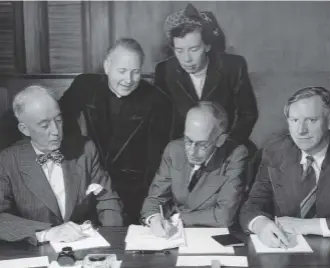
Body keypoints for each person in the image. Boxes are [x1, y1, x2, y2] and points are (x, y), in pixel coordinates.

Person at [59, 38, 173, 225]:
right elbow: (60, 119)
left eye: (135, 72)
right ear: (107, 66)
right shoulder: (85, 86)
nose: (128, 80)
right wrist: (79, 157)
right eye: (122, 71)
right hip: (90, 183)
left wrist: (149, 209)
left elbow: (155, 162)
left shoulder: (158, 102)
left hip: (134, 191)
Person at [0, 85, 123, 245]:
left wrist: (111, 238)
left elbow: (107, 198)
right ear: (25, 129)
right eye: (44, 125)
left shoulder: (85, 149)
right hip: (37, 250)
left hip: (84, 246)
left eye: (58, 120)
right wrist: (47, 233)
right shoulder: (8, 160)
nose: (56, 131)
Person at [240, 86, 330, 247]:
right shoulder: (275, 152)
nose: (301, 131)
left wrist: (311, 225)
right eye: (294, 121)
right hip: (288, 251)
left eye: (311, 120)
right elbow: (252, 205)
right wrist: (260, 224)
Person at [141, 101, 248, 237]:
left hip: (212, 237)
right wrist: (154, 219)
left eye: (202, 145)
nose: (192, 151)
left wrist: (176, 218)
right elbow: (154, 199)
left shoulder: (236, 155)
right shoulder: (174, 150)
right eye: (188, 140)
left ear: (220, 140)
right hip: (173, 236)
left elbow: (224, 216)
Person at [155, 3, 258, 144]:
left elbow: (248, 114)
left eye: (194, 49)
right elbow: (160, 121)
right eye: (179, 51)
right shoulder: (164, 70)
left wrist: (228, 144)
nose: (186, 59)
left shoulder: (233, 67)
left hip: (226, 145)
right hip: (182, 148)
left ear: (207, 45)